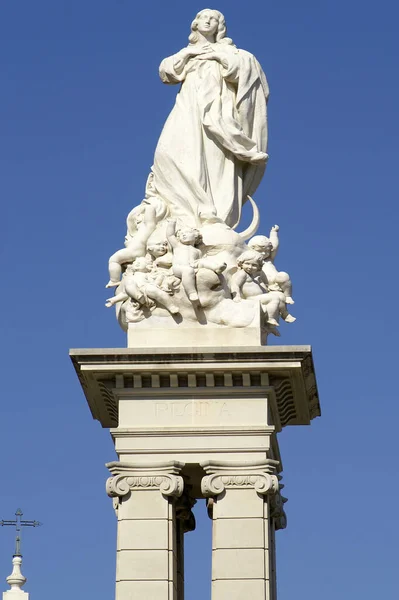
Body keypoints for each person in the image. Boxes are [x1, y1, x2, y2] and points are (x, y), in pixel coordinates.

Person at [150, 9, 269, 228]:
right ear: (195, 24)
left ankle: (210, 214)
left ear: (219, 27)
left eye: (213, 18)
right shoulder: (186, 52)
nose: (207, 20)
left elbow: (246, 70)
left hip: (216, 113)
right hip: (187, 106)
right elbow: (166, 73)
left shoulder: (231, 51)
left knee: (213, 159)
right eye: (203, 17)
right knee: (167, 153)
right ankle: (180, 215)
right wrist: (188, 54)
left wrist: (217, 56)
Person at [166, 218, 226, 304]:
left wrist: (198, 264)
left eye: (187, 233)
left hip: (193, 265)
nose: (184, 235)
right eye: (182, 234)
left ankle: (216, 267)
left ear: (195, 236)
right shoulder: (178, 245)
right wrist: (171, 223)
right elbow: (170, 236)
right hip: (179, 268)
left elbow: (199, 260)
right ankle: (191, 292)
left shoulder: (197, 251)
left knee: (202, 262)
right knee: (188, 271)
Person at [231, 250, 295, 326]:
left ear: (259, 267)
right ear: (241, 263)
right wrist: (236, 296)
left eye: (254, 265)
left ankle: (284, 314)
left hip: (258, 297)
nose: (250, 267)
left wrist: (261, 283)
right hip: (251, 298)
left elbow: (261, 288)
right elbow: (235, 284)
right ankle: (270, 318)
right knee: (274, 298)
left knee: (280, 296)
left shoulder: (252, 276)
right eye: (247, 264)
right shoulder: (242, 274)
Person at [248, 225, 294, 304]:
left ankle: (287, 295)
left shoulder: (269, 259)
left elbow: (274, 246)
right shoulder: (250, 261)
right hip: (264, 285)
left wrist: (273, 233)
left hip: (277, 282)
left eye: (266, 251)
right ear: (251, 248)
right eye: (260, 251)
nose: (264, 253)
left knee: (283, 276)